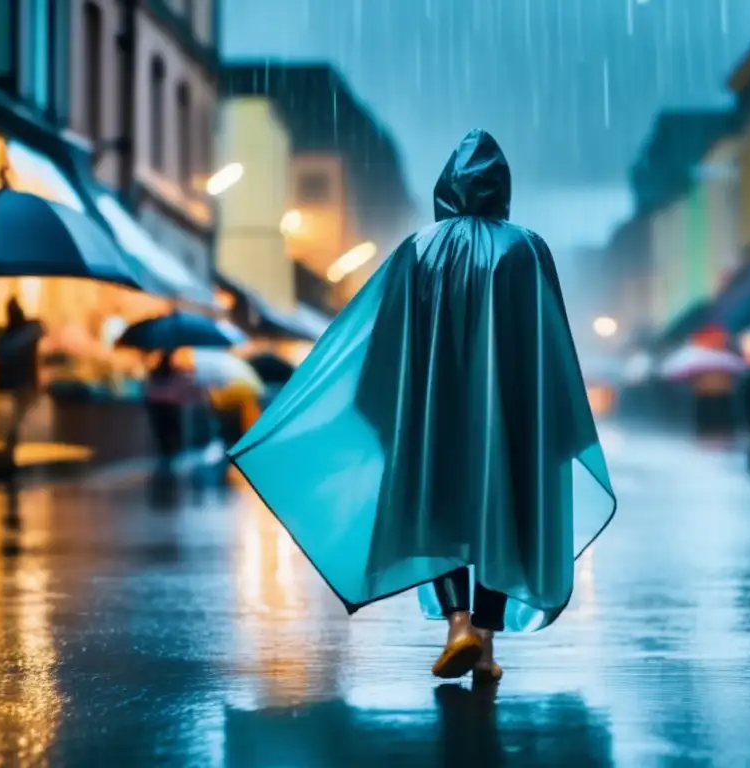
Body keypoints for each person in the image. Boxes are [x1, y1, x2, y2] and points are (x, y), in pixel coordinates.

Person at [229, 129, 617, 684]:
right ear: (500, 188)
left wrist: (389, 409)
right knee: (500, 520)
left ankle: (459, 625)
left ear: (447, 187)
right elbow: (547, 343)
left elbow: (386, 339)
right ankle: (482, 637)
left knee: (443, 517)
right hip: (508, 419)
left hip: (434, 416)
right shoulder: (526, 249)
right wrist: (552, 418)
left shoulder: (418, 249)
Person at [0, 297, 44, 461]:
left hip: (14, 383)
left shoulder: (7, 336)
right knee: (20, 415)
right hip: (24, 382)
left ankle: (11, 445)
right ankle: (12, 444)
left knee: (17, 416)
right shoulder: (28, 331)